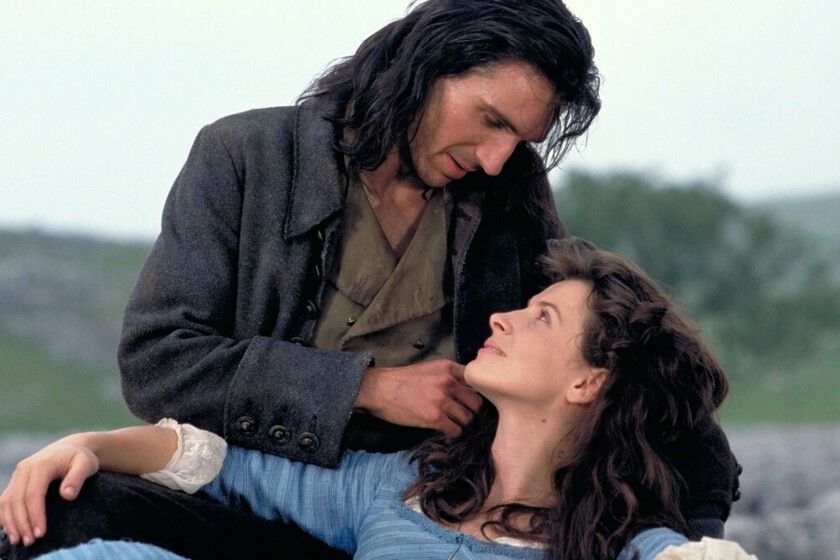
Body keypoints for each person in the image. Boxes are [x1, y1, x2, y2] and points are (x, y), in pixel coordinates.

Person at [1, 0, 740, 558]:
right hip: (260, 506)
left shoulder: (508, 192)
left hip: (425, 514)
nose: (496, 158)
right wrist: (367, 388)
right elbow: (158, 362)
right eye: (489, 120)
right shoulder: (244, 157)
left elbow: (626, 363)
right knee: (66, 506)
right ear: (425, 66)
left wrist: (689, 540)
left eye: (519, 138)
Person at [0, 239, 755, 560]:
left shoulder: (614, 546)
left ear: (588, 381)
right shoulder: (405, 486)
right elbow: (213, 461)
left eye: (542, 318)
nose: (502, 317)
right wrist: (87, 445)